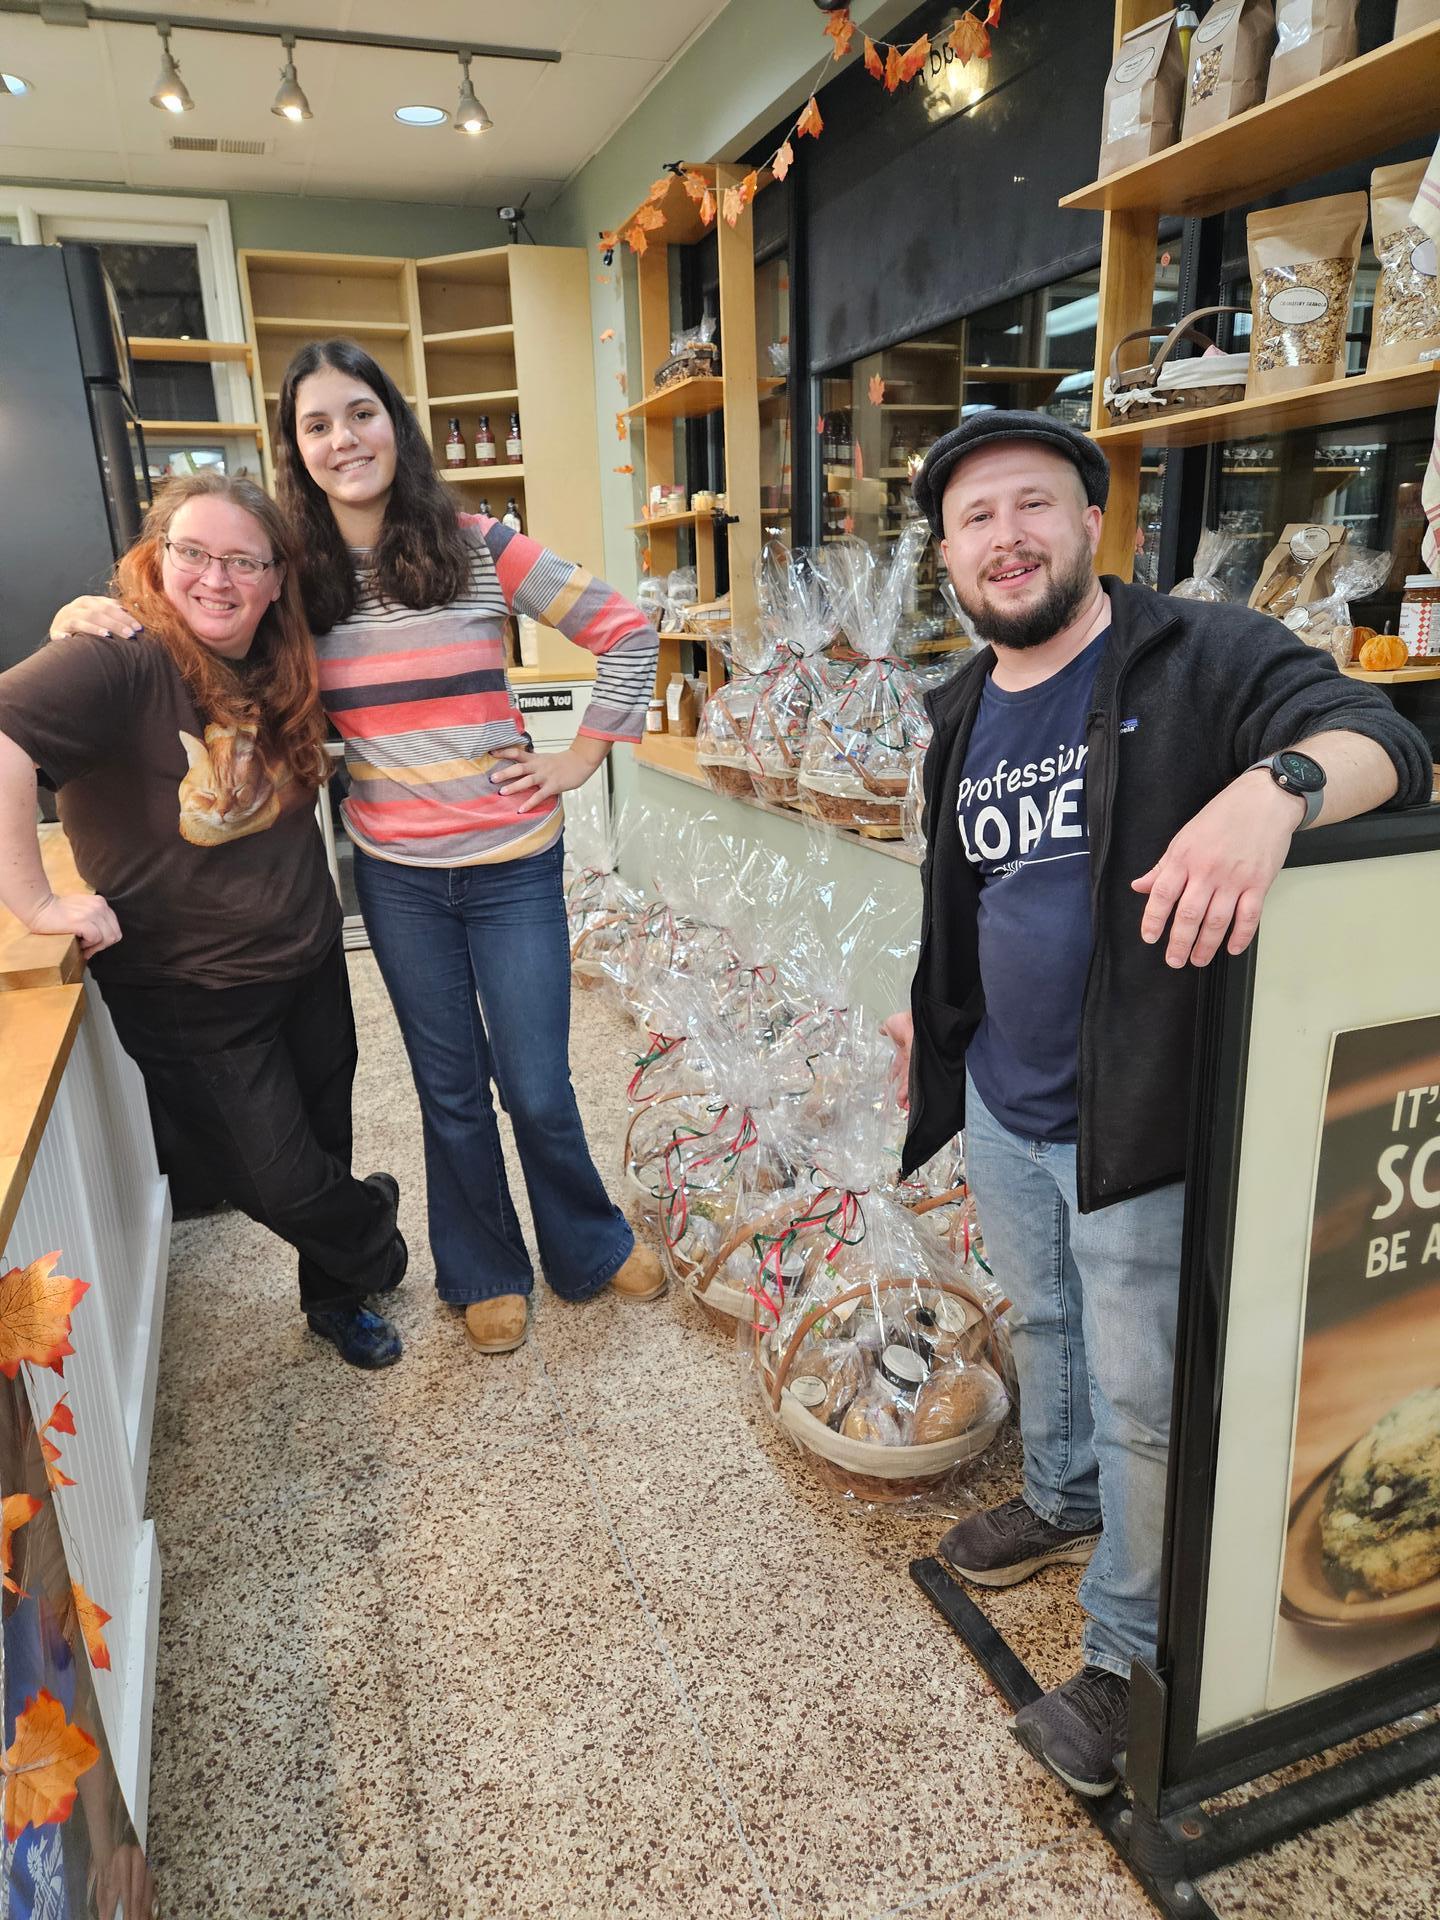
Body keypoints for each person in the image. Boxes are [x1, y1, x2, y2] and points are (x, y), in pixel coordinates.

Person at [882, 411, 1431, 1798]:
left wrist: (1277, 790)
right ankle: (1061, 1500)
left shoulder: (1200, 654)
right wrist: (931, 1005)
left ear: (1089, 522)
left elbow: (1384, 739)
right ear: (948, 555)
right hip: (1007, 1100)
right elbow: (972, 889)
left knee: (1144, 1394)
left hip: (1139, 1114)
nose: (1008, 538)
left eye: (1034, 505)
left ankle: (1130, 1653)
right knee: (1046, 1320)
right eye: (976, 519)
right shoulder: (962, 708)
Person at [52, 339, 664, 1357]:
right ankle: (482, 1268)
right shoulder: (296, 579)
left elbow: (627, 631)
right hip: (398, 877)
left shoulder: (481, 543)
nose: (345, 439)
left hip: (514, 863)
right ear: (296, 448)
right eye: (318, 424)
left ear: (396, 421)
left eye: (361, 413)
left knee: (541, 1084)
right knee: (450, 1087)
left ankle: (588, 1244)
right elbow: (203, 623)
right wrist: (103, 611)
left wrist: (580, 757)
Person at [5, 472, 407, 1371]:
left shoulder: (282, 659)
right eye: (193, 552)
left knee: (322, 1141)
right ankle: (374, 1240)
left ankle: (335, 1300)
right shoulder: (115, 657)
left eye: (241, 560)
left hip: (307, 958)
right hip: (188, 990)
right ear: (158, 558)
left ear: (274, 580)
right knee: (273, 1176)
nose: (215, 579)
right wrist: (33, 901)